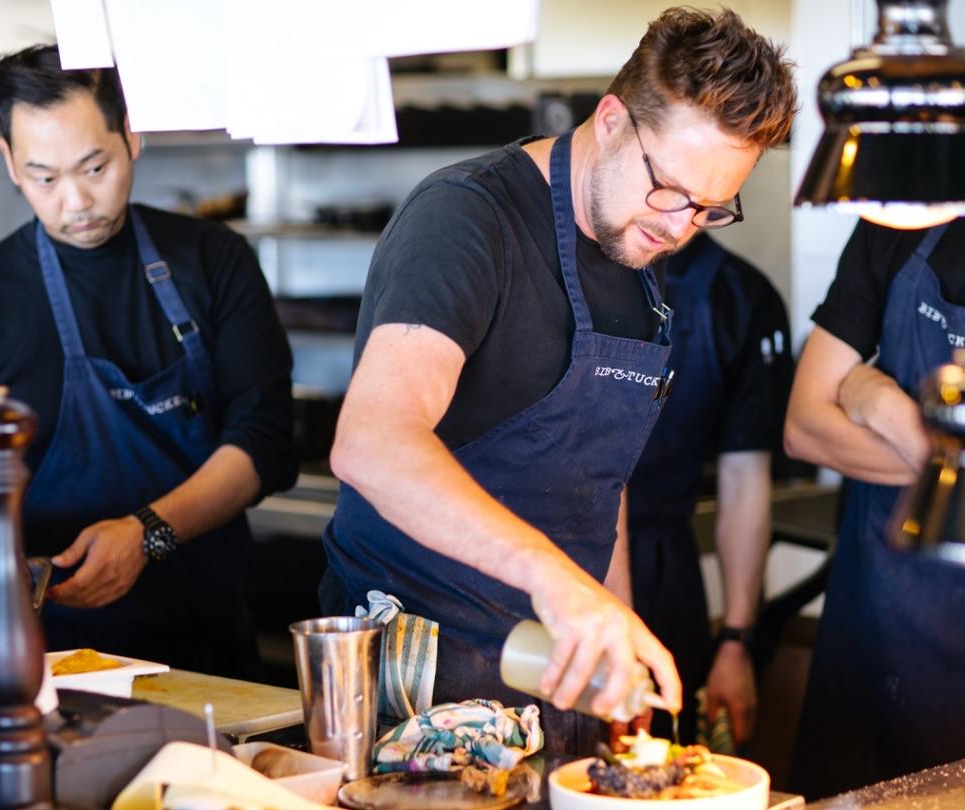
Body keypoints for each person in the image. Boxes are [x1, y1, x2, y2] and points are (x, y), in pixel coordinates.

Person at [319, 6, 796, 753]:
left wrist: (617, 659)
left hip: (555, 678)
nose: (678, 227)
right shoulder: (467, 219)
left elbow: (600, 477)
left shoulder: (641, 252)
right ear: (610, 120)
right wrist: (554, 580)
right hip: (422, 677)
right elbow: (372, 442)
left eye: (710, 209)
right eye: (669, 188)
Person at [0, 45, 299, 677]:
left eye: (95, 167)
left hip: (209, 652)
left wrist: (149, 534)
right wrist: (0, 556)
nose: (76, 202)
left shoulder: (212, 260)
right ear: (8, 161)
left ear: (131, 136)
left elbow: (265, 440)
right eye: (45, 177)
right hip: (44, 663)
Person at [785, 217, 965, 798]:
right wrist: (943, 459)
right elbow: (805, 427)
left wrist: (878, 400)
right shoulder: (897, 226)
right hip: (872, 637)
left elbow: (841, 394)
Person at [626, 232, 794, 748]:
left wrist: (736, 642)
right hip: (552, 563)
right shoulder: (566, 269)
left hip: (664, 566)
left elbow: (746, 479)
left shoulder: (742, 297)